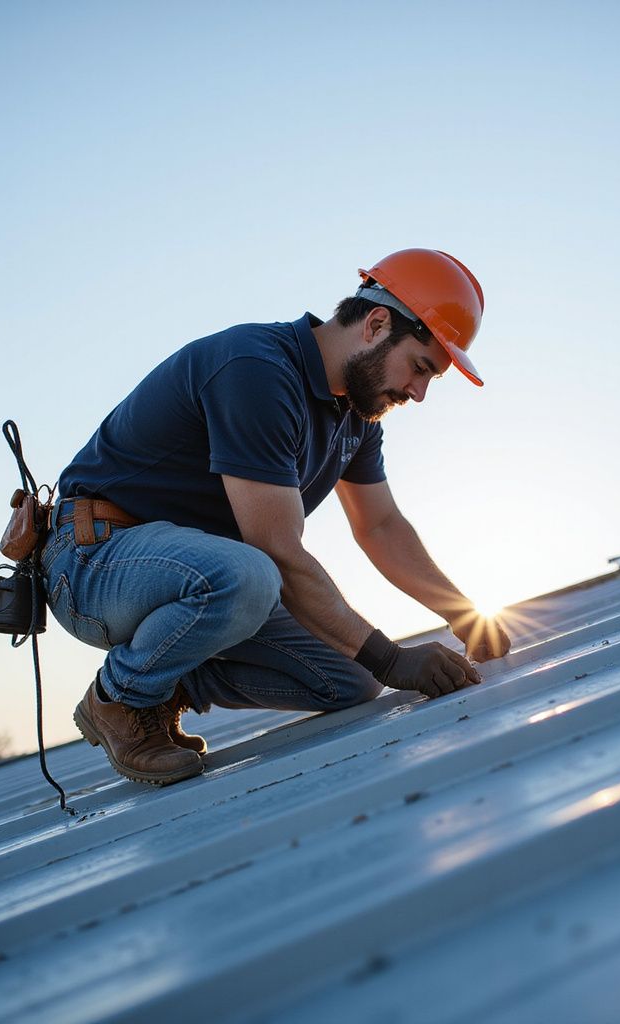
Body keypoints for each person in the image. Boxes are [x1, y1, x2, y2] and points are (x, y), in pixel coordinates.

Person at [41, 248, 511, 786]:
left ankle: (173, 681)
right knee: (254, 576)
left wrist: (462, 613)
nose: (419, 393)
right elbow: (276, 553)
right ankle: (120, 698)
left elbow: (381, 527)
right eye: (421, 367)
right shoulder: (257, 369)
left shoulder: (355, 418)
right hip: (93, 561)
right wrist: (393, 658)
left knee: (351, 679)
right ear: (377, 324)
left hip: (198, 580)